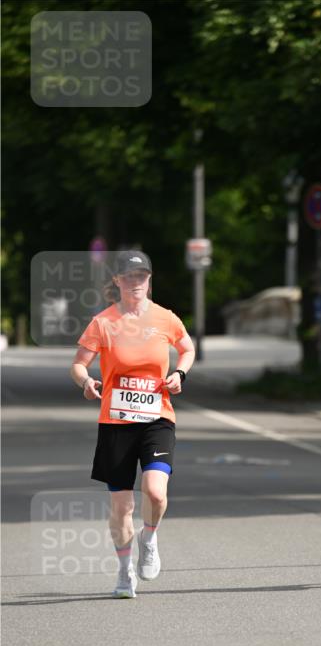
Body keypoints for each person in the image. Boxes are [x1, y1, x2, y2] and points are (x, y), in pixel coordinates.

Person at [70, 249, 195, 598]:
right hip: (115, 422)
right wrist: (87, 381)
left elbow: (187, 348)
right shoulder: (103, 322)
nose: (135, 282)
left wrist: (179, 372)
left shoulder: (165, 318)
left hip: (157, 418)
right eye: (128, 276)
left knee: (156, 491)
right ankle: (125, 573)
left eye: (141, 276)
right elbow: (78, 364)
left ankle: (149, 537)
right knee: (121, 506)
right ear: (117, 281)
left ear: (149, 279)